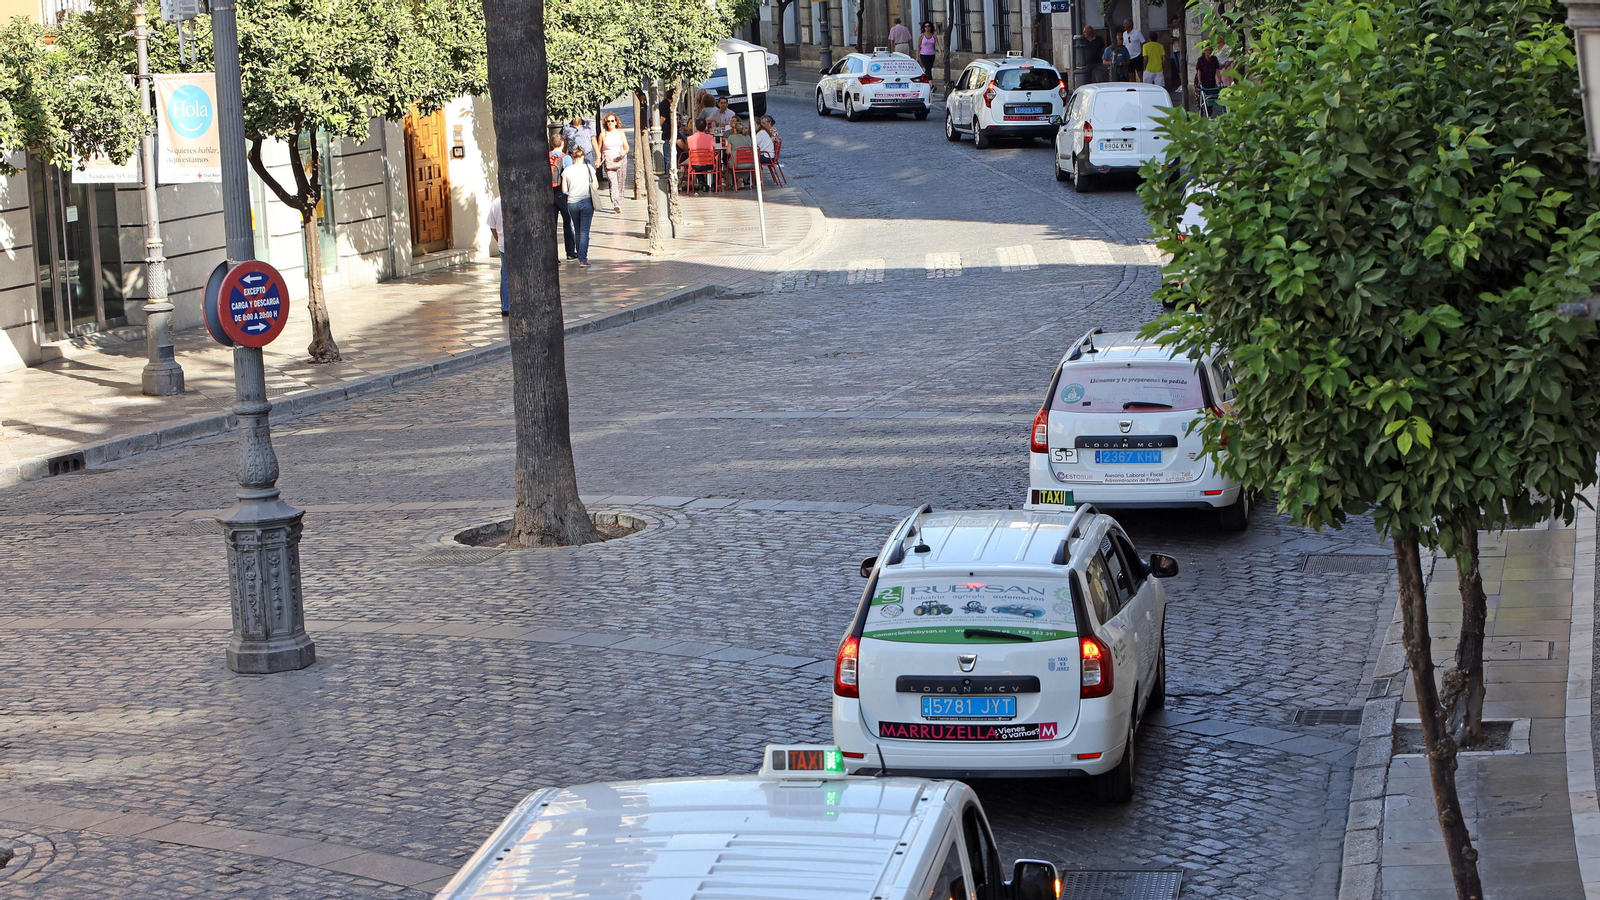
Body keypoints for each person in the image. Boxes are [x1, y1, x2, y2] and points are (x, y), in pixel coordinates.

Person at [561, 146, 597, 267]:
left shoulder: (567, 171)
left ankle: (580, 256)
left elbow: (564, 189)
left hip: (572, 203)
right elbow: (595, 185)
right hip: (586, 201)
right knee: (585, 230)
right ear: (582, 156)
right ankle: (583, 259)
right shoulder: (588, 168)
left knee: (577, 230)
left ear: (572, 157)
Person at [549, 132, 577, 261]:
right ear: (562, 143)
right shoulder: (566, 158)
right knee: (567, 222)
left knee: (551, 226)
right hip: (563, 193)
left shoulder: (546, 157)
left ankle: (553, 255)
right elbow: (570, 176)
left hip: (549, 193)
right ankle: (570, 252)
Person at [598, 112, 629, 214]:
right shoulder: (603, 134)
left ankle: (619, 200)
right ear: (606, 123)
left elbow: (626, 146)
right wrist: (598, 160)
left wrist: (624, 152)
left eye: (612, 121)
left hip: (621, 160)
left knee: (621, 182)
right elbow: (599, 149)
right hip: (609, 161)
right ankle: (616, 203)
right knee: (613, 181)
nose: (610, 123)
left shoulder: (621, 133)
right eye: (608, 121)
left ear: (616, 122)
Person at [486, 194, 508, 315]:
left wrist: (499, 239)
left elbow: (492, 226)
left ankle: (506, 306)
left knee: (505, 274)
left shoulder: (496, 202)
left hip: (503, 243)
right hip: (511, 242)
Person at [685, 117, 716, 190]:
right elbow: (713, 150)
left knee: (696, 159)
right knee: (717, 163)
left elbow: (688, 149)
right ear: (705, 127)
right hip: (709, 164)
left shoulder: (689, 138)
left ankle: (702, 182)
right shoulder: (710, 137)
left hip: (695, 165)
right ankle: (714, 183)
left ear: (695, 126)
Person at [725, 117, 754, 187]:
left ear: (735, 129)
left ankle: (733, 182)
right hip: (750, 163)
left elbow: (728, 152)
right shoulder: (749, 137)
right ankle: (741, 179)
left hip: (736, 163)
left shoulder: (731, 137)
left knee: (729, 162)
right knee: (741, 163)